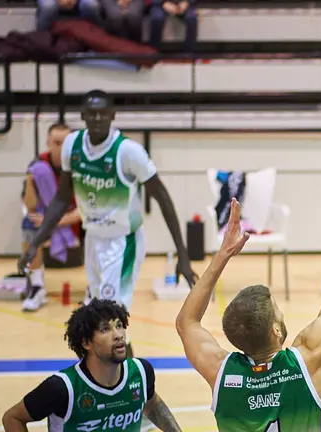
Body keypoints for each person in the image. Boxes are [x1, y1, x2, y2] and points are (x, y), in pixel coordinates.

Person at [175, 145, 321, 431]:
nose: (282, 315)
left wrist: (222, 256)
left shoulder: (221, 372)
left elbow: (186, 323)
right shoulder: (307, 358)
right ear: (276, 330)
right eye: (278, 311)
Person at [18, 90, 197, 356]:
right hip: (93, 238)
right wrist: (35, 242)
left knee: (111, 320)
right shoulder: (72, 146)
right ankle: (115, 382)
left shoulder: (128, 152)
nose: (98, 118)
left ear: (113, 115)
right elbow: (61, 198)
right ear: (83, 116)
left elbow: (163, 199)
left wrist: (183, 256)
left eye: (104, 113)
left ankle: (135, 389)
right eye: (92, 113)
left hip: (123, 242)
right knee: (102, 317)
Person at [2, 299, 181, 432]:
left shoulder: (141, 372)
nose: (118, 335)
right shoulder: (62, 388)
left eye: (119, 326)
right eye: (105, 329)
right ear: (86, 342)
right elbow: (13, 418)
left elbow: (152, 404)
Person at [21, 123, 81, 312]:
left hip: (74, 219)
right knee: (29, 225)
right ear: (48, 143)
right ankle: (37, 286)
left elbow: (88, 209)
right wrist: (30, 181)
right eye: (56, 142)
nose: (61, 147)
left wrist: (55, 221)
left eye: (65, 143)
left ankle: (97, 289)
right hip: (49, 218)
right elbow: (30, 206)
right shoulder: (38, 167)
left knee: (100, 223)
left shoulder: (81, 165)